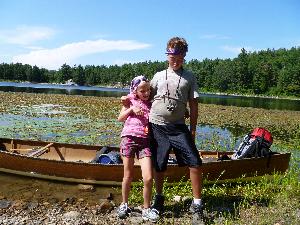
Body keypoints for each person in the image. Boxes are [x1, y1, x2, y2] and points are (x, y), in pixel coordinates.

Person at [149, 37, 204, 220]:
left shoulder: (189, 77)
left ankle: (197, 204)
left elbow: (194, 105)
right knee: (159, 163)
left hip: (179, 127)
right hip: (157, 125)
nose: (176, 59)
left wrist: (193, 129)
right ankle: (159, 198)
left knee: (195, 161)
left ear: (185, 56)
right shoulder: (158, 76)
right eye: (173, 55)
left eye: (180, 55)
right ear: (167, 55)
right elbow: (145, 98)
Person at [117, 75, 159, 222]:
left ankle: (146, 208)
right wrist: (131, 109)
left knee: (148, 177)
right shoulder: (130, 101)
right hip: (128, 140)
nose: (146, 93)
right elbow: (120, 118)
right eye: (142, 90)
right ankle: (124, 204)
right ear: (135, 91)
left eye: (148, 90)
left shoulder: (152, 105)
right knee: (128, 176)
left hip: (144, 143)